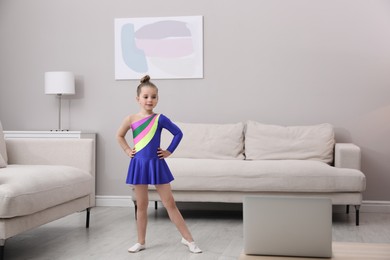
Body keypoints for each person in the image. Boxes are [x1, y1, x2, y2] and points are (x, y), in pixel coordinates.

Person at [116, 75, 202, 254]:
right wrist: (126, 150)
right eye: (146, 96)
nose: (150, 100)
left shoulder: (160, 119)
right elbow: (119, 135)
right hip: (138, 165)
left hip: (157, 164)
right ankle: (141, 241)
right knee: (142, 205)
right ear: (138, 98)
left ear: (157, 99)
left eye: (153, 96)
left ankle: (188, 239)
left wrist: (169, 151)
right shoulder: (131, 119)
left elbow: (178, 134)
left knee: (169, 202)